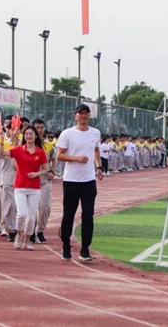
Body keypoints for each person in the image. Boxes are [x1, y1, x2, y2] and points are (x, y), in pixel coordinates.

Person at [56, 103, 103, 262]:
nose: (83, 116)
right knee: (69, 214)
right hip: (71, 180)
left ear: (89, 115)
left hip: (88, 180)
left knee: (88, 215)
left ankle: (85, 249)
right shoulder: (67, 134)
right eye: (80, 113)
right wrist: (76, 158)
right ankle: (66, 245)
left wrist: (98, 166)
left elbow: (96, 150)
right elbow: (59, 155)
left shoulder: (95, 132)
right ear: (75, 116)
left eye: (86, 113)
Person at [0, 125, 48, 250]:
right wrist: (2, 140)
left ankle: (27, 240)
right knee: (21, 214)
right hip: (20, 187)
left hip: (34, 188)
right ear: (24, 136)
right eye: (26, 134)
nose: (29, 136)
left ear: (35, 136)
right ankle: (19, 235)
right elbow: (2, 152)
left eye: (31, 134)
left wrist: (36, 174)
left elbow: (45, 169)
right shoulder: (19, 150)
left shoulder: (40, 152)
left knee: (31, 217)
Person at [0, 120, 18, 242]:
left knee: (19, 207)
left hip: (23, 180)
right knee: (10, 205)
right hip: (7, 178)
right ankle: (10, 229)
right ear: (8, 130)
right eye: (12, 129)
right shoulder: (5, 144)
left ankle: (19, 228)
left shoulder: (25, 144)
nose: (15, 131)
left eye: (18, 129)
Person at [32, 118, 56, 244]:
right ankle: (31, 231)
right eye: (37, 128)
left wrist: (51, 171)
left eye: (42, 127)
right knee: (31, 208)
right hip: (31, 181)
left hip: (45, 180)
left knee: (45, 207)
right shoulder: (28, 145)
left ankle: (40, 230)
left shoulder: (49, 145)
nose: (40, 130)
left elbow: (53, 158)